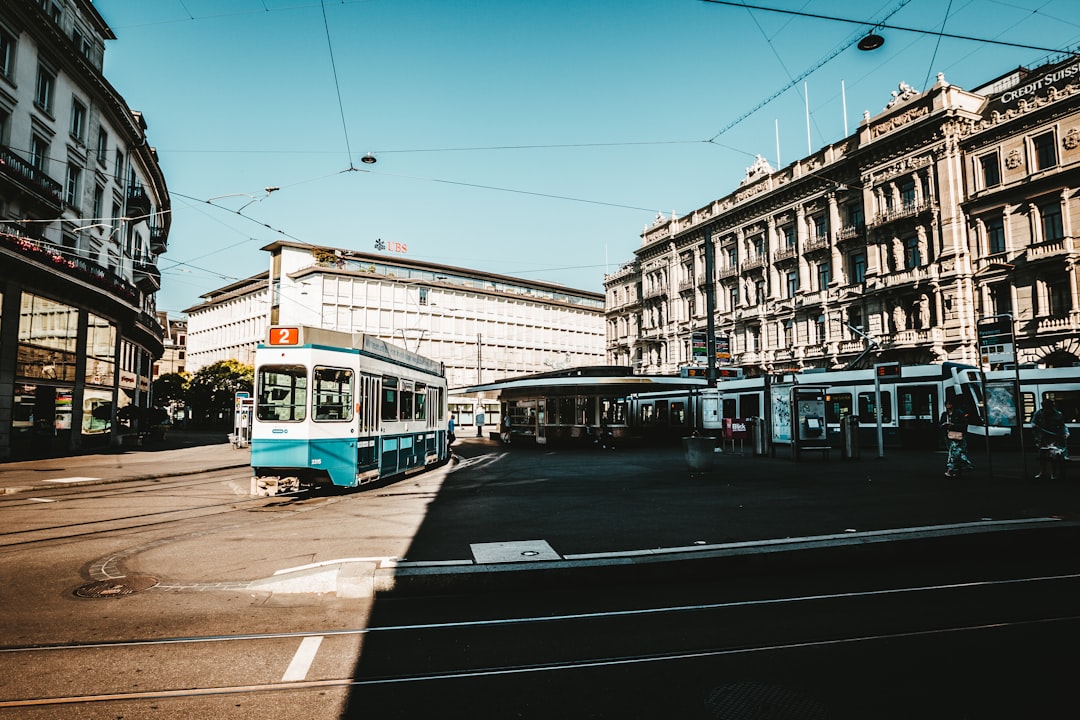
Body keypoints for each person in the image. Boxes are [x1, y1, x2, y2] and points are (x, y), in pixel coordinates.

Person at [1032, 398, 1069, 480]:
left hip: (1054, 437)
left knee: (1053, 456)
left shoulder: (1057, 414)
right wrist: (1034, 425)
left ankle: (1053, 473)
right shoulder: (1039, 413)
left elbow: (1062, 425)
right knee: (1042, 455)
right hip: (1042, 438)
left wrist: (1066, 433)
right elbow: (1033, 422)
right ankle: (1042, 472)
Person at [940, 398, 973, 478]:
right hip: (949, 436)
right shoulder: (945, 414)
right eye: (947, 404)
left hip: (958, 436)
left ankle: (950, 470)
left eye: (949, 404)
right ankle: (958, 470)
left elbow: (964, 425)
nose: (948, 405)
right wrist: (944, 426)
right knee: (957, 453)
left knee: (954, 453)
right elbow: (940, 424)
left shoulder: (958, 413)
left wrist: (954, 426)